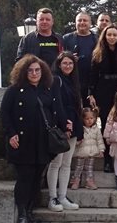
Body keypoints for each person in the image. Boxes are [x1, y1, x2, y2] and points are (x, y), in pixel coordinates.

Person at [0, 54, 69, 223]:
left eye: (37, 70)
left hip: (43, 141)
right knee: (25, 177)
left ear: (42, 71)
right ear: (24, 72)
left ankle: (30, 212)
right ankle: (22, 214)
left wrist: (66, 126)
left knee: (37, 177)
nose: (34, 73)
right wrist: (11, 133)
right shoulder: (14, 90)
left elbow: (57, 109)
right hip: (23, 141)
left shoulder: (48, 88)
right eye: (30, 70)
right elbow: (4, 113)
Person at [88, 24, 117, 172]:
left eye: (115, 35)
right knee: (107, 124)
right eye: (109, 35)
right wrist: (91, 93)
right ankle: (108, 159)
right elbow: (93, 75)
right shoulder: (98, 52)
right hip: (103, 90)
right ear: (104, 36)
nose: (112, 37)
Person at [46, 52, 83, 212]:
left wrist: (76, 128)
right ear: (59, 64)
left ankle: (63, 196)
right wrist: (64, 126)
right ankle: (52, 198)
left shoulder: (74, 81)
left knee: (67, 164)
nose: (67, 66)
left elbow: (76, 106)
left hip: (73, 124)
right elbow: (57, 105)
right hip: (61, 126)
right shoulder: (56, 80)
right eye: (65, 63)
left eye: (70, 63)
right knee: (56, 163)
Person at [63, 12, 98, 104]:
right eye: (79, 20)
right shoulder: (66, 39)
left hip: (91, 81)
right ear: (75, 23)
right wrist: (69, 58)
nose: (82, 22)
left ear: (90, 23)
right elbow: (60, 57)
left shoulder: (97, 39)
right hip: (72, 80)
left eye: (85, 20)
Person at [71, 107, 105, 190]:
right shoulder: (81, 129)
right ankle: (76, 180)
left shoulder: (96, 129)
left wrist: (101, 150)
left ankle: (89, 181)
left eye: (91, 118)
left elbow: (99, 140)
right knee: (79, 167)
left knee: (90, 168)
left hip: (91, 152)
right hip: (81, 152)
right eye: (87, 119)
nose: (89, 120)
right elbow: (76, 139)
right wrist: (77, 143)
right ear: (83, 119)